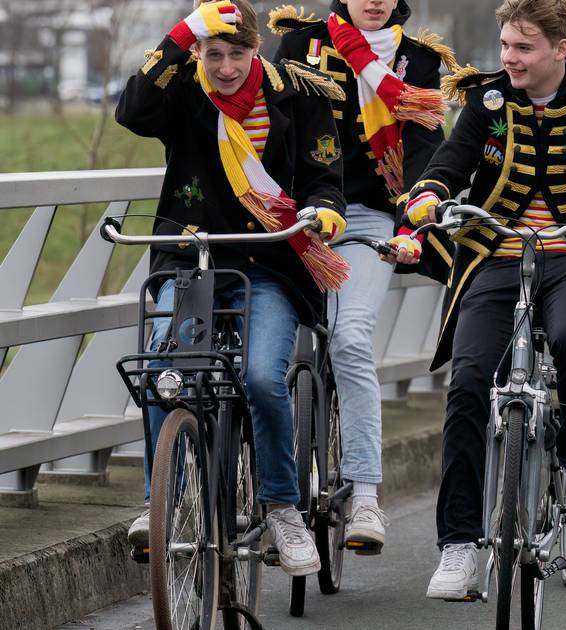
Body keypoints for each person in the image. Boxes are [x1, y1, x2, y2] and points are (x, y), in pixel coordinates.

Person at [403, 0, 566, 600]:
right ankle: (459, 545)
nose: (509, 58)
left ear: (560, 49)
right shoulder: (486, 102)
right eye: (506, 46)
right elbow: (449, 163)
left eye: (523, 48)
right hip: (496, 257)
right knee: (466, 385)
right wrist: (429, 197)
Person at [118, 0, 348, 577]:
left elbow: (326, 179)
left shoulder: (300, 94)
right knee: (162, 369)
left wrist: (321, 213)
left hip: (268, 265)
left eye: (237, 53)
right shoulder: (183, 93)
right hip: (189, 258)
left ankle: (281, 506)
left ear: (256, 49)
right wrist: (182, 33)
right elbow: (131, 109)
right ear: (198, 51)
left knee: (263, 381)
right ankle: (159, 501)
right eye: (212, 53)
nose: (225, 67)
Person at [271, 0, 455, 553]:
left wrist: (417, 218)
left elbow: (424, 147)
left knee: (350, 340)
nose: (373, 0)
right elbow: (275, 129)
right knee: (262, 356)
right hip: (295, 216)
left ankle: (366, 495)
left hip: (370, 219)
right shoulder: (299, 44)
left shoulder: (416, 60)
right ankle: (261, 490)